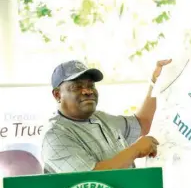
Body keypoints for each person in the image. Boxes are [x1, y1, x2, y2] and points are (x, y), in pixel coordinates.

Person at [42, 59, 171, 173]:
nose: (87, 91)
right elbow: (91, 180)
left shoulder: (101, 118)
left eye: (90, 85)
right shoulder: (55, 135)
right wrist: (135, 150)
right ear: (57, 95)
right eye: (76, 87)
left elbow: (142, 123)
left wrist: (155, 83)